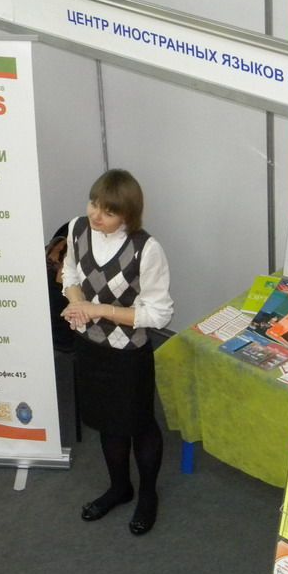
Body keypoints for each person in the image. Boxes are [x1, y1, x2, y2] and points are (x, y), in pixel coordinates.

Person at [60, 169, 173, 536]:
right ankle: (120, 488)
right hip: (90, 348)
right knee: (108, 421)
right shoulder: (77, 229)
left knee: (139, 424)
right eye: (94, 204)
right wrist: (76, 302)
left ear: (127, 214)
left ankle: (148, 495)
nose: (96, 215)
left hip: (128, 354)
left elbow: (159, 314)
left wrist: (99, 310)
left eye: (108, 212)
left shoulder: (146, 249)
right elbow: (70, 274)